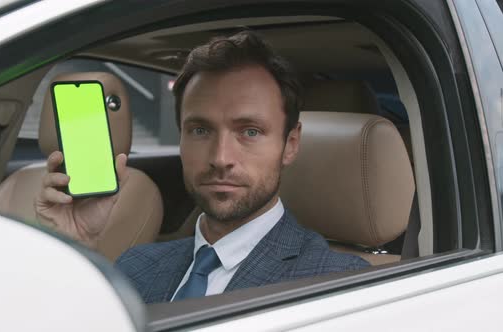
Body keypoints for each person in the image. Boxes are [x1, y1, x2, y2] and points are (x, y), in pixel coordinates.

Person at [35, 31, 369, 304]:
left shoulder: (339, 283)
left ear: (290, 145)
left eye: (250, 132)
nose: (221, 157)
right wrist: (69, 245)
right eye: (200, 130)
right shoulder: (134, 266)